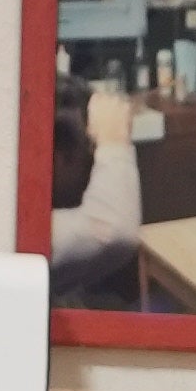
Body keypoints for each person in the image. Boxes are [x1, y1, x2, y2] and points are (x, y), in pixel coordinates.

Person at [48, 79, 144, 299]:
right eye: (91, 148)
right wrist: (114, 143)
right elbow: (116, 232)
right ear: (60, 159)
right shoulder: (20, 236)